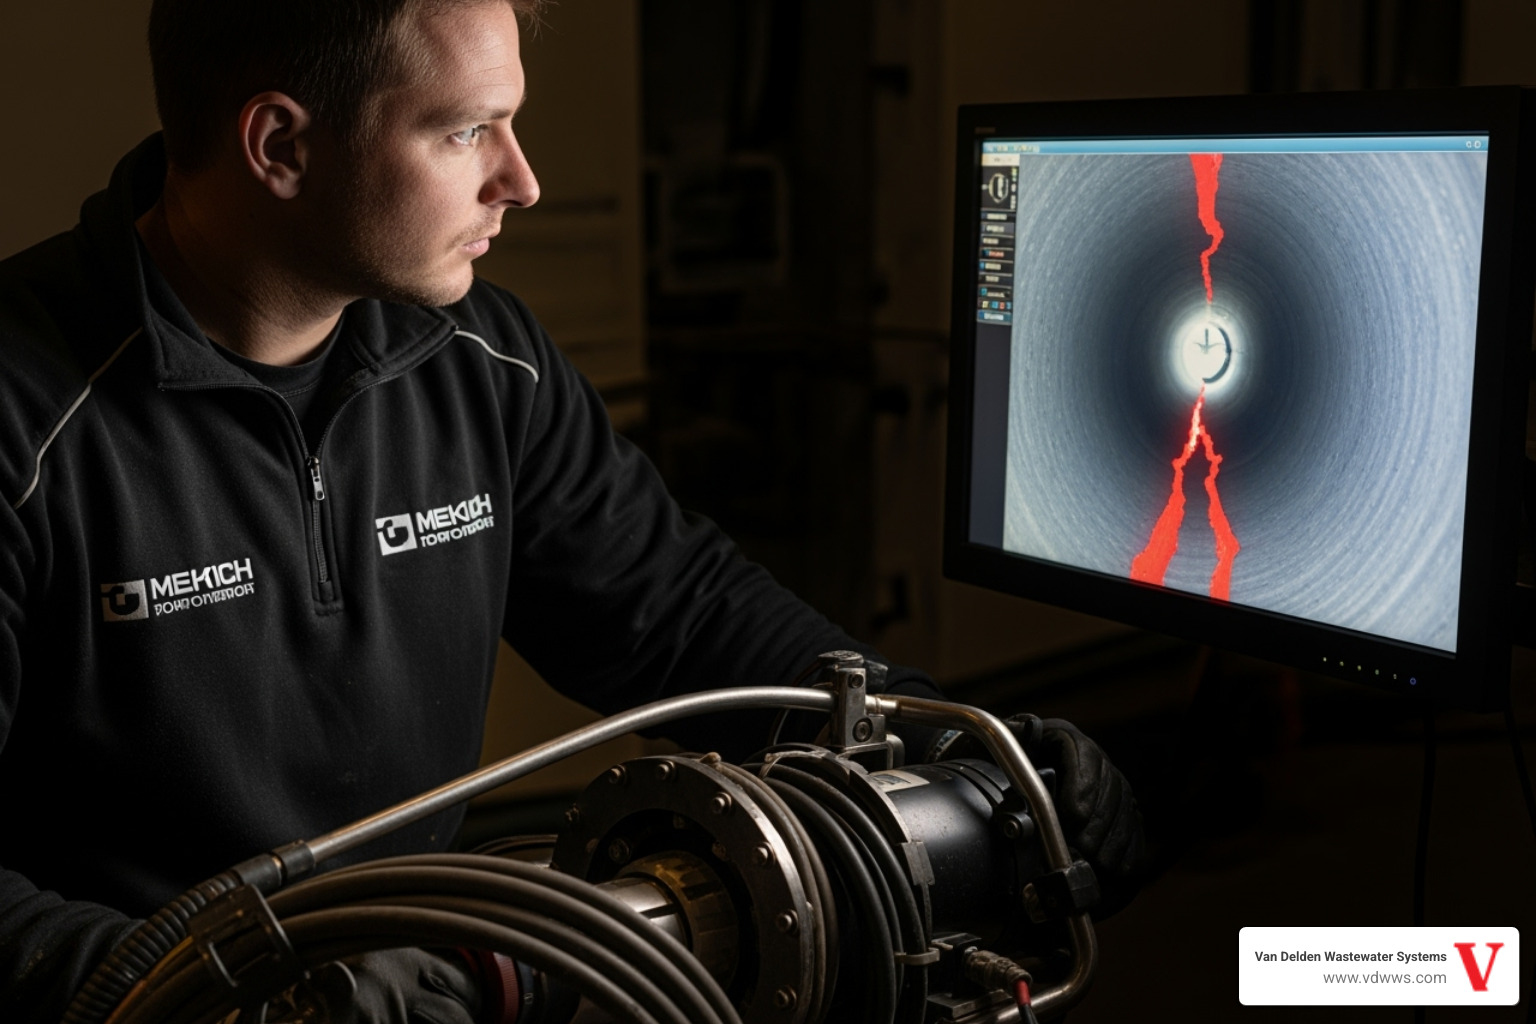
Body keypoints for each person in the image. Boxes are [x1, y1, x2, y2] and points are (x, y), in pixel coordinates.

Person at [0, 0, 1144, 1019]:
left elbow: (685, 618)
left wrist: (956, 757)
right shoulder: (22, 413)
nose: (521, 178)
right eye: (465, 130)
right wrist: (251, 998)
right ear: (281, 146)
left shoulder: (485, 363)